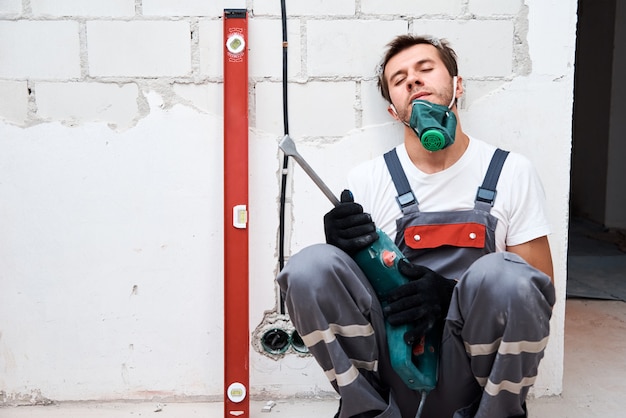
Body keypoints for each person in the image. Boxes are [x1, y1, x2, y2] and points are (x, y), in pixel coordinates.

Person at [277, 34, 556, 418]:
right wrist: (342, 252)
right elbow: (349, 292)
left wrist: (450, 299)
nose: (413, 80)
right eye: (399, 79)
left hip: (473, 374)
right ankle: (367, 411)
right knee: (309, 266)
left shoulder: (511, 172)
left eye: (426, 69)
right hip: (397, 358)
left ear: (457, 86)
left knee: (507, 275)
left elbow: (539, 288)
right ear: (394, 110)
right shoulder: (370, 179)